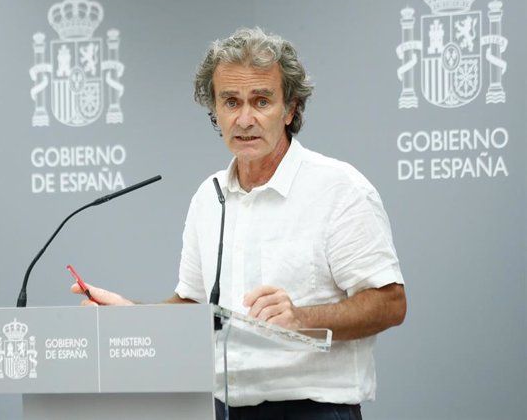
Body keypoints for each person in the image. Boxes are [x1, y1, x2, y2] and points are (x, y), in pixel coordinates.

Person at [71, 27, 406, 420]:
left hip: (313, 411)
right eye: (231, 102)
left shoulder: (338, 189)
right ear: (215, 110)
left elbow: (389, 302)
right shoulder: (208, 196)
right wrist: (134, 315)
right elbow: (195, 306)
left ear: (291, 108)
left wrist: (302, 318)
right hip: (222, 408)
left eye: (261, 101)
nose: (244, 119)